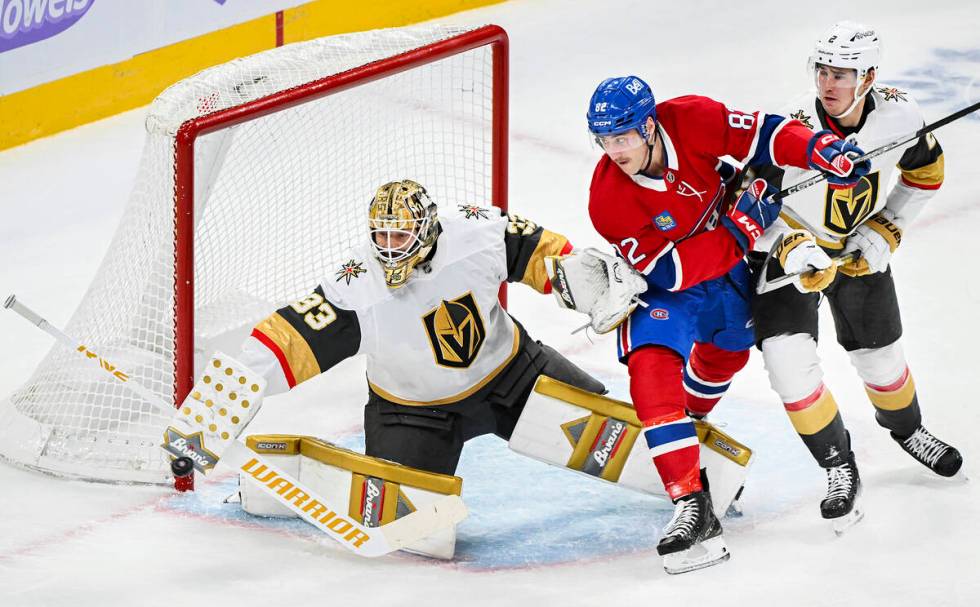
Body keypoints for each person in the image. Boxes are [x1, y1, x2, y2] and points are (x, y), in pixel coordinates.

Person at [585, 75, 869, 571]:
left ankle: (689, 422)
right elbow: (670, 272)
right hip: (665, 290)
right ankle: (691, 504)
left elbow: (766, 135)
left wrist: (822, 150)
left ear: (650, 126)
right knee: (651, 372)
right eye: (605, 140)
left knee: (728, 353)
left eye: (624, 136)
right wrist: (741, 228)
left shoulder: (691, 118)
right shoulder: (607, 198)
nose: (615, 151)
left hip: (730, 274)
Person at [230, 179, 604, 477]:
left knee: (608, 432)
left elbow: (546, 255)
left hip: (513, 379)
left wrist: (596, 288)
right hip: (412, 414)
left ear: (425, 229)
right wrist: (229, 396)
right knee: (411, 522)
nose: (390, 249)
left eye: (400, 236)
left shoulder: (478, 232)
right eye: (382, 236)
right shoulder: (357, 285)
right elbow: (291, 338)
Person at [750, 21, 962, 533]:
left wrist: (890, 226)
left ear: (867, 77)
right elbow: (750, 202)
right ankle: (838, 467)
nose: (829, 82)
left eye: (842, 73)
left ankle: (908, 431)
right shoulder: (790, 127)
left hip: (858, 249)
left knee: (882, 355)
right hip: (788, 257)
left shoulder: (898, 115)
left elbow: (925, 171)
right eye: (823, 70)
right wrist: (788, 243)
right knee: (789, 367)